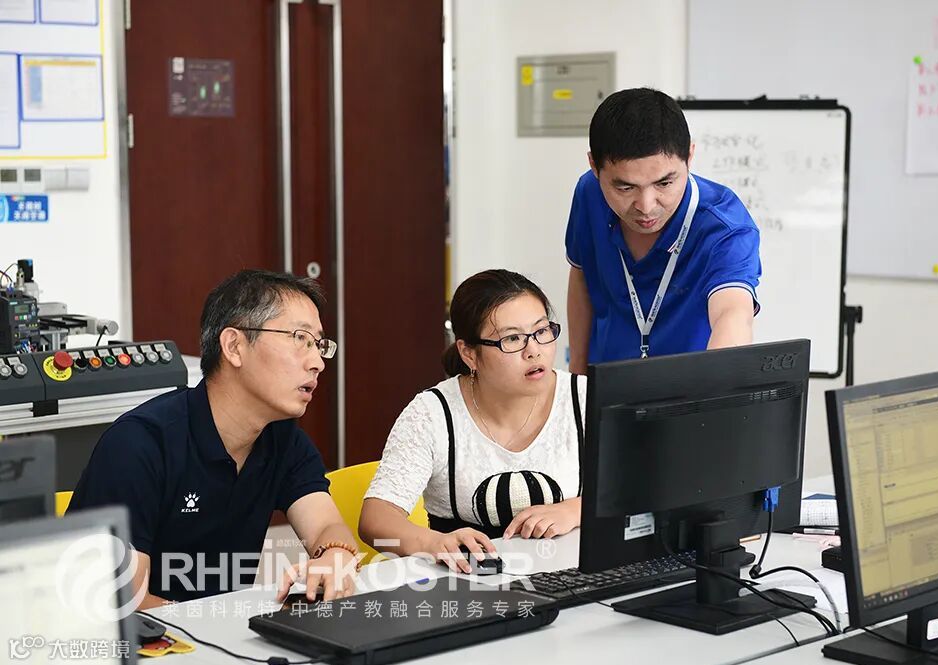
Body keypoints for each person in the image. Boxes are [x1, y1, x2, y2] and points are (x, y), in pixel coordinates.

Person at [69, 270, 359, 607]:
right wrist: (226, 624)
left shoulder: (283, 439)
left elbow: (326, 526)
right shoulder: (138, 445)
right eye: (300, 338)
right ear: (234, 346)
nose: (317, 363)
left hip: (219, 631)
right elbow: (124, 603)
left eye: (318, 345)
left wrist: (334, 556)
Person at [359, 270, 586, 573]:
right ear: (469, 354)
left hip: (574, 577)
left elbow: (640, 490)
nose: (534, 351)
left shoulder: (583, 397)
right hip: (467, 582)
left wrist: (576, 509)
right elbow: (374, 521)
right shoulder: (432, 413)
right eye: (512, 339)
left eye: (542, 331)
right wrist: (433, 543)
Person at [566, 87, 762, 374]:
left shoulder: (724, 225)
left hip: (692, 390)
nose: (646, 206)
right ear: (595, 166)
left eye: (664, 184)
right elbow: (582, 275)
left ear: (689, 156)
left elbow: (733, 313)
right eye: (625, 187)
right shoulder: (589, 192)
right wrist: (576, 378)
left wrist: (716, 388)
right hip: (605, 383)